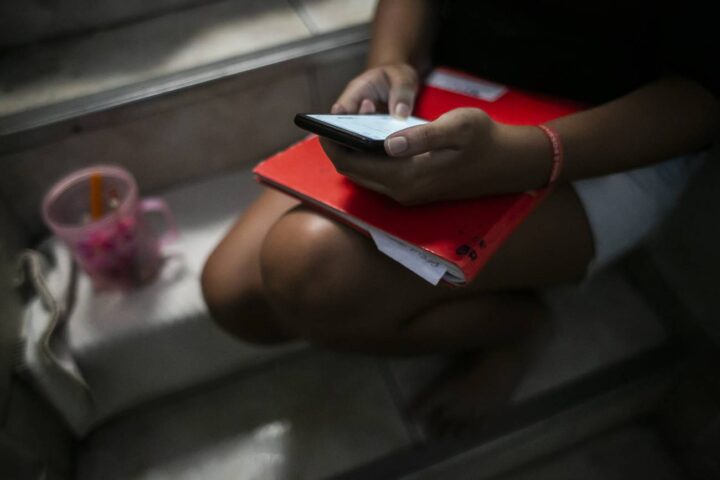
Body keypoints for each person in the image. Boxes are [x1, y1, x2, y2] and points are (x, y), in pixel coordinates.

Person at [201, 0, 718, 433]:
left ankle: (517, 326)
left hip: (610, 140)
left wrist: (523, 159)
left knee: (312, 267)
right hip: (456, 87)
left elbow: (700, 99)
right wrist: (394, 62)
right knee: (234, 294)